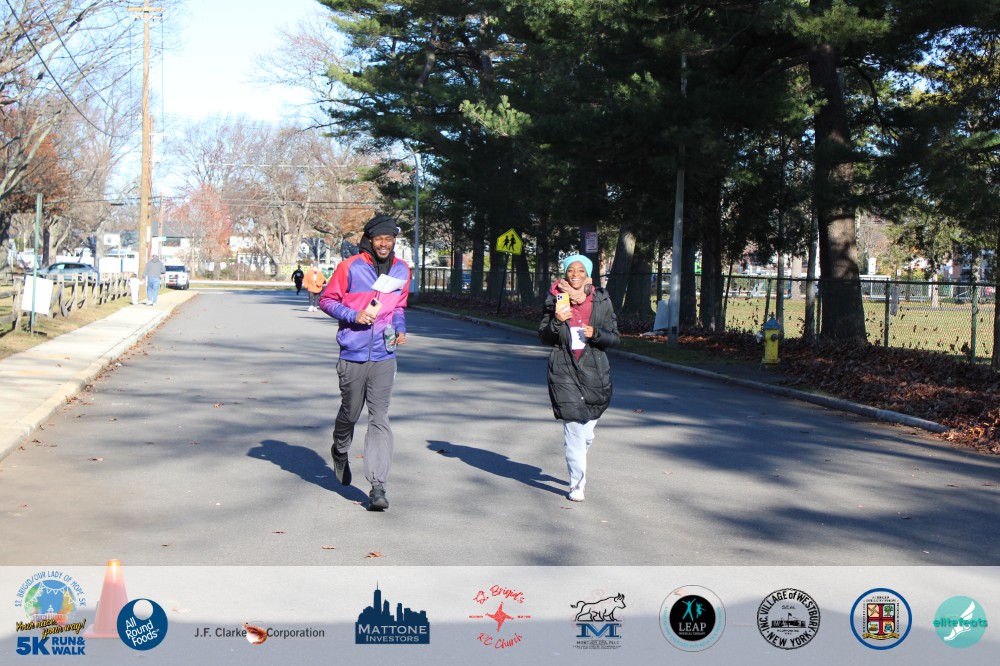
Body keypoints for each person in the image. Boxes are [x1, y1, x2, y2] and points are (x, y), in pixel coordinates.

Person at [319, 214, 410, 511]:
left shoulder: (401, 269)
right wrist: (353, 315)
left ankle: (378, 486)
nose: (384, 244)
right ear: (370, 240)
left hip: (384, 355)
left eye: (389, 239)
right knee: (350, 412)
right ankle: (340, 449)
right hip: (353, 353)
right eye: (379, 239)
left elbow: (398, 307)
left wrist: (400, 328)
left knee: (379, 417)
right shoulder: (350, 267)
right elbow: (327, 300)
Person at [538, 254, 619, 502]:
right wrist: (556, 322)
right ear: (565, 273)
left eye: (581, 270)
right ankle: (577, 484)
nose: (575, 274)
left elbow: (615, 337)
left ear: (588, 275)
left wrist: (596, 333)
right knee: (573, 428)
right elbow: (544, 335)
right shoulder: (555, 297)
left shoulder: (601, 299)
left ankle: (579, 455)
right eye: (571, 270)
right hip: (564, 367)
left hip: (594, 369)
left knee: (586, 434)